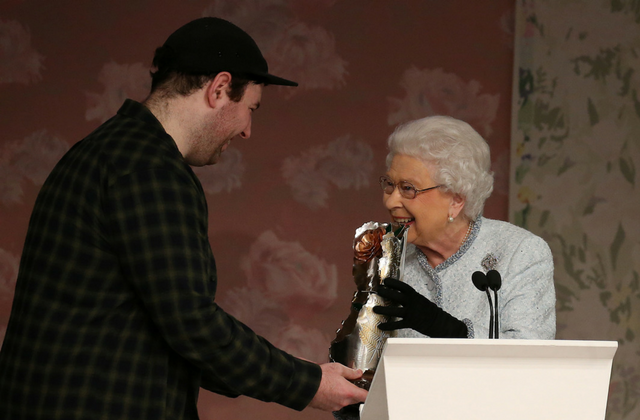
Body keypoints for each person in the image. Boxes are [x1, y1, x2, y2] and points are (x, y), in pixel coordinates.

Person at [0, 17, 367, 419]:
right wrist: (308, 384)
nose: (247, 130)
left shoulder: (103, 152)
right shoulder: (149, 168)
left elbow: (167, 329)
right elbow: (190, 323)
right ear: (219, 89)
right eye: (250, 109)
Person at [372, 115, 556, 340]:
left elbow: (530, 356)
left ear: (456, 200)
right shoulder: (389, 257)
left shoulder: (519, 251)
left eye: (408, 188)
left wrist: (449, 329)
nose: (391, 202)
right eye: (390, 185)